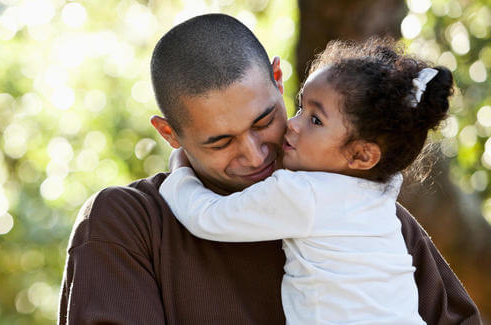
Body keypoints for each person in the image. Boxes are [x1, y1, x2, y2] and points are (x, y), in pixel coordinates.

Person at [58, 14, 481, 324]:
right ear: (171, 134)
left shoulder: (368, 212)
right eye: (220, 142)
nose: (256, 154)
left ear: (279, 80)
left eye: (264, 122)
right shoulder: (127, 224)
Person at [159, 38, 447, 324]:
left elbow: (207, 217)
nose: (294, 124)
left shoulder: (300, 194)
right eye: (300, 108)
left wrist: (180, 170)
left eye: (315, 120)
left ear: (361, 155)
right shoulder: (381, 195)